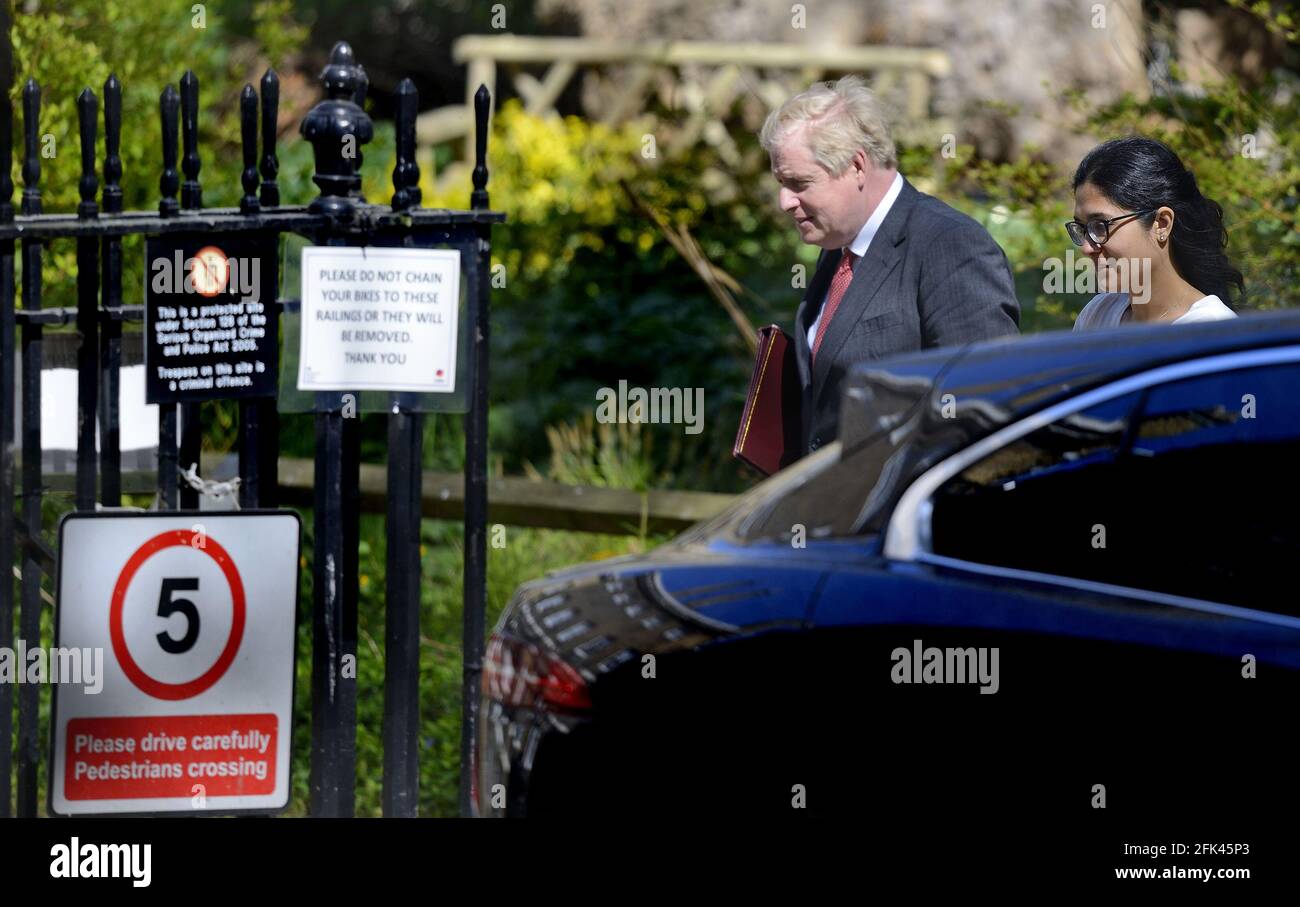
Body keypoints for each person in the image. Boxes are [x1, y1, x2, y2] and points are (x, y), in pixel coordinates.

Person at [759, 75, 1020, 456]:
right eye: (781, 183)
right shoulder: (839, 247)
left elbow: (981, 405)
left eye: (799, 183)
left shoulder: (950, 245)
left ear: (857, 166)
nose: (785, 201)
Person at [1070, 137, 1242, 330]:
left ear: (1161, 224)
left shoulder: (1212, 330)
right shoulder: (1097, 316)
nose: (1086, 248)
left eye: (1100, 225)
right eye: (1083, 228)